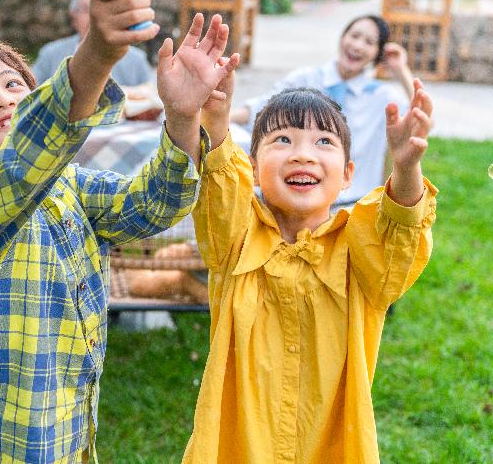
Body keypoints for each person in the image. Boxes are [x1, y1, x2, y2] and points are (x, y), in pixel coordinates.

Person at [0, 0, 240, 463]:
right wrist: (98, 50)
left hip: (70, 437)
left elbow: (154, 205)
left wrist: (183, 117)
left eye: (13, 84)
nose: (1, 98)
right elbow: (34, 149)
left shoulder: (71, 185)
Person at [181, 73, 437, 463]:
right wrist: (215, 122)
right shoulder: (234, 240)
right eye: (282, 140)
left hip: (331, 448)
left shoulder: (363, 254)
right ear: (251, 167)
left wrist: (405, 170)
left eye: (324, 142)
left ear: (348, 173)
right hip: (240, 448)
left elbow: (400, 233)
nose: (303, 154)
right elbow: (219, 190)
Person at [231, 14, 416, 205]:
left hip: (353, 205)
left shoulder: (380, 97)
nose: (358, 45)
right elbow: (258, 110)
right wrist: (214, 117)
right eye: (354, 36)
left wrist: (400, 69)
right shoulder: (306, 79)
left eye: (369, 42)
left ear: (377, 54)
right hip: (295, 199)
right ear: (342, 38)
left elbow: (422, 119)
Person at [31, 0, 154, 86]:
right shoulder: (50, 54)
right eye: (86, 10)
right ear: (74, 17)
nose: (94, 18)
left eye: (103, 12)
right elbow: (30, 98)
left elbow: (153, 98)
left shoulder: (136, 59)